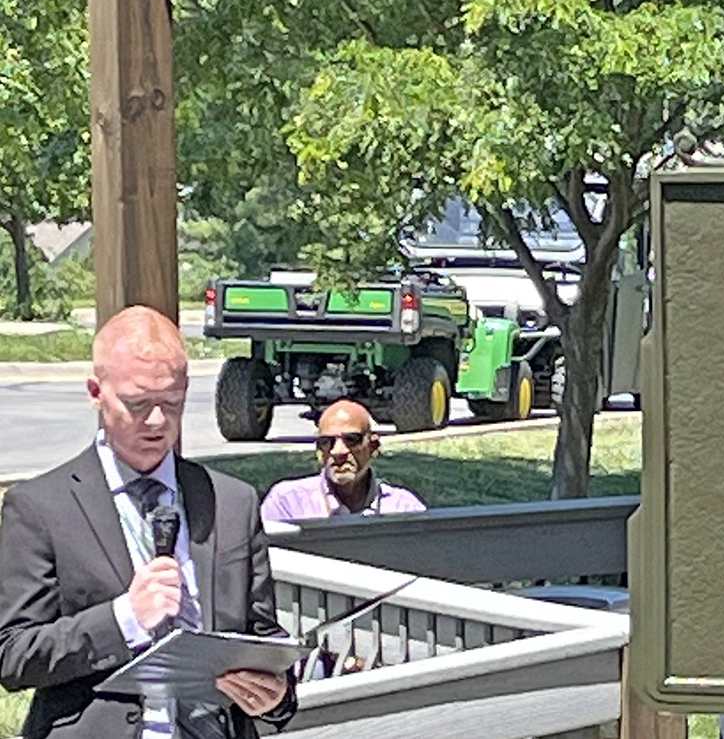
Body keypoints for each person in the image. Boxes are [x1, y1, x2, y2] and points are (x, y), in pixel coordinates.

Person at [0, 305, 296, 738]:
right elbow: (13, 655)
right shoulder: (40, 507)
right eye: (137, 404)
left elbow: (263, 640)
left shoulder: (233, 503)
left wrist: (275, 695)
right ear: (96, 392)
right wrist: (124, 618)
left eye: (171, 402)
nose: (157, 421)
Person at [260, 399, 425, 523]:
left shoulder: (404, 509)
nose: (338, 451)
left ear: (373, 447)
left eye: (352, 440)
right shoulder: (287, 504)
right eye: (326, 442)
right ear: (319, 451)